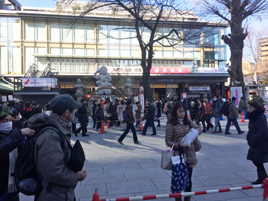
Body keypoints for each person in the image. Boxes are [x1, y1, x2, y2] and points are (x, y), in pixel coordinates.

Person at [27, 94, 87, 201]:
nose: (75, 113)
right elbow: (53, 170)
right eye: (74, 110)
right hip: (53, 194)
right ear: (66, 112)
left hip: (60, 192)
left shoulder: (60, 128)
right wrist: (75, 176)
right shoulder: (50, 135)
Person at [165, 102, 201, 201]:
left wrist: (193, 135)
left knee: (188, 180)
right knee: (178, 180)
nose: (182, 114)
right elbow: (168, 141)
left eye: (184, 111)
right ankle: (178, 199)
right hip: (178, 156)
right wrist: (178, 145)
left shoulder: (188, 121)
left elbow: (198, 129)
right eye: (180, 111)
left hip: (190, 155)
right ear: (175, 111)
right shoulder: (171, 124)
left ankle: (187, 199)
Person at [0, 105, 35, 201]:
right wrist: (18, 133)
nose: (8, 123)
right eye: (4, 121)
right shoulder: (14, 135)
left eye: (9, 120)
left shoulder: (12, 135)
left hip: (12, 188)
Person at [246, 101, 268, 184]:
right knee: (256, 161)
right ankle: (263, 178)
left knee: (257, 160)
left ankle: (263, 178)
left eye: (250, 107)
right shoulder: (253, 117)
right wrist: (249, 137)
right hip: (254, 142)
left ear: (255, 108)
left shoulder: (260, 117)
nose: (249, 109)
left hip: (260, 143)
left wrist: (254, 138)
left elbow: (264, 132)